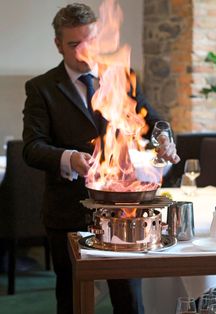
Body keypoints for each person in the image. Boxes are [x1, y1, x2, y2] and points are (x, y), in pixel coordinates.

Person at [22, 3, 180, 314]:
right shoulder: (41, 88)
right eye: (74, 44)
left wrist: (164, 139)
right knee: (71, 299)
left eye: (91, 41)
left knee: (129, 299)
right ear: (58, 44)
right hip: (67, 211)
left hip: (122, 211)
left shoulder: (122, 76)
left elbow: (154, 123)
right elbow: (32, 147)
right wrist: (69, 158)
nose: (85, 51)